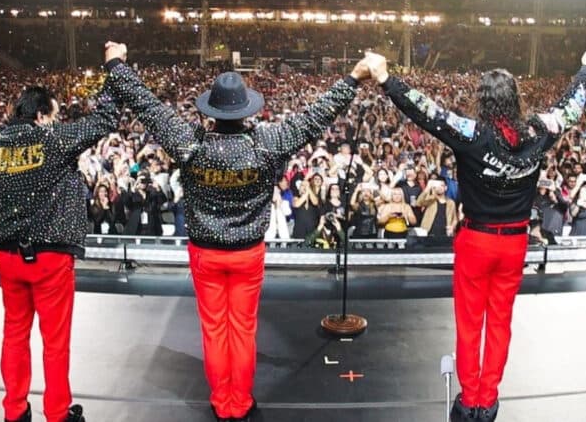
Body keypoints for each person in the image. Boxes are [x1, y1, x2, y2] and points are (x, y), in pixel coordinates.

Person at [103, 41, 380, 422]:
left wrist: (117, 65)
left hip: (205, 254)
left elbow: (148, 108)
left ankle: (223, 403)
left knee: (215, 331)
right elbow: (315, 116)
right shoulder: (267, 143)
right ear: (247, 109)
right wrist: (352, 78)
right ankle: (241, 402)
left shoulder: (190, 143)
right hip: (249, 254)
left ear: (211, 112)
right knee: (243, 329)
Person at [371, 48, 586, 422]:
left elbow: (426, 111)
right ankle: (489, 399)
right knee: (500, 322)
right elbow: (570, 108)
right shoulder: (538, 132)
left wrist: (385, 79)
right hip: (514, 244)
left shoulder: (471, 134)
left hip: (476, 241)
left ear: (483, 101)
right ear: (515, 101)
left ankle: (470, 398)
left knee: (469, 321)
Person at [0, 46, 120, 422]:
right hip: (50, 261)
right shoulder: (52, 140)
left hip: (6, 258)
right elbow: (106, 118)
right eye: (54, 115)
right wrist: (113, 66)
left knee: (14, 335)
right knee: (55, 343)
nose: (57, 121)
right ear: (41, 116)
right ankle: (56, 412)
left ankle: (14, 409)